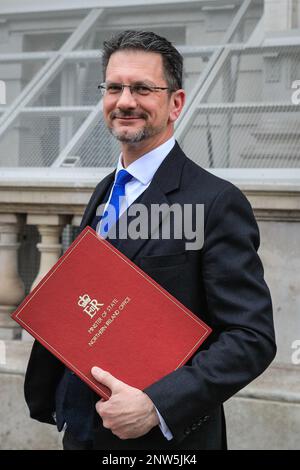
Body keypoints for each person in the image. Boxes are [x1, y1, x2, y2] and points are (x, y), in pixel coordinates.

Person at [24, 30, 276, 451]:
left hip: (162, 443)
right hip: (84, 430)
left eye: (142, 88)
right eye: (114, 87)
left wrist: (156, 405)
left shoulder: (216, 202)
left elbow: (251, 338)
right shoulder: (106, 190)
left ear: (175, 102)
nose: (125, 101)